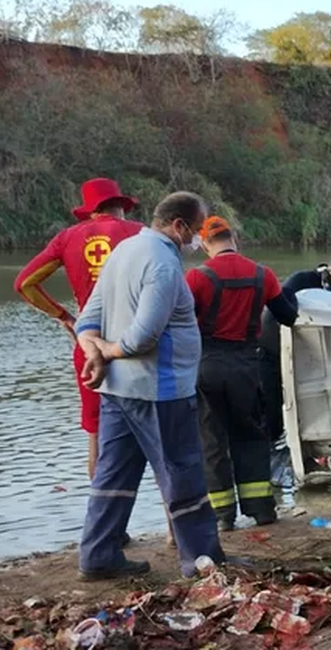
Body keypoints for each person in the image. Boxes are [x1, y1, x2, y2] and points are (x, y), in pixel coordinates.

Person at [74, 191, 225, 580]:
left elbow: (85, 321)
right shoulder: (162, 264)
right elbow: (144, 336)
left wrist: (94, 352)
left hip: (116, 393)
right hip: (160, 391)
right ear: (178, 226)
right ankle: (202, 561)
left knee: (113, 475)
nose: (196, 240)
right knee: (183, 474)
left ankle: (98, 555)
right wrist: (107, 351)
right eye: (195, 230)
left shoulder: (123, 251)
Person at [14, 178, 144, 480]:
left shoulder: (67, 238)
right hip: (136, 342)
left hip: (88, 346)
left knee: (97, 437)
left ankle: (104, 524)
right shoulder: (139, 234)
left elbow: (24, 283)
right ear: (121, 206)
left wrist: (65, 317)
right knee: (155, 433)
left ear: (89, 211)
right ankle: (172, 525)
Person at [186, 216, 299, 531]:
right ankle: (262, 509)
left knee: (211, 441)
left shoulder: (196, 278)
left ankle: (223, 516)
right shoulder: (264, 275)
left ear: (206, 243)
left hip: (206, 366)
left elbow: (177, 320)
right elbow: (288, 317)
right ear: (233, 237)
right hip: (247, 367)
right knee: (250, 435)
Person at [257, 251, 331, 470]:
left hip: (295, 357)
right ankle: (267, 464)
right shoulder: (303, 281)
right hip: (268, 353)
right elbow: (278, 309)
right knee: (272, 414)